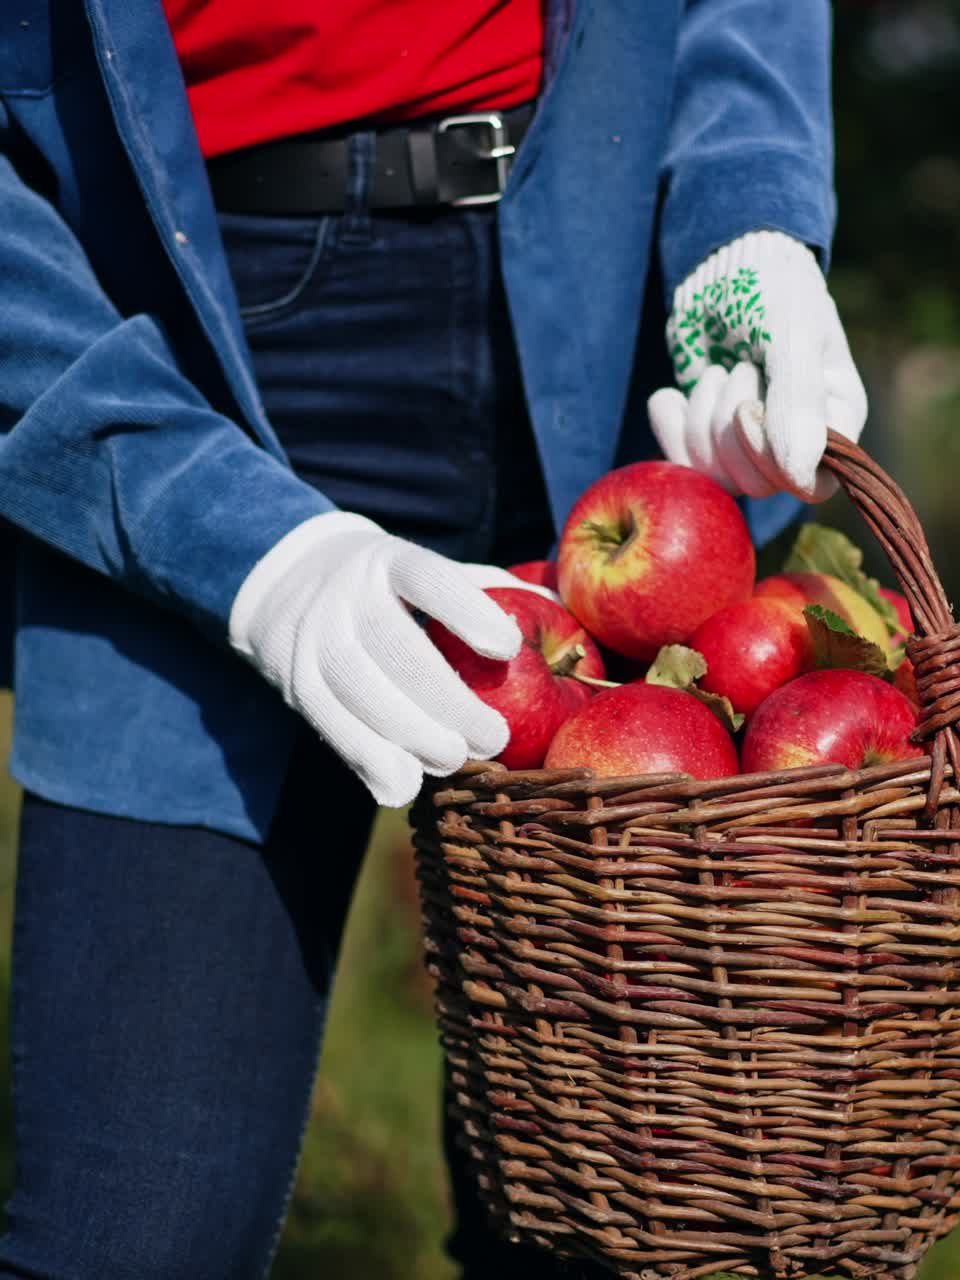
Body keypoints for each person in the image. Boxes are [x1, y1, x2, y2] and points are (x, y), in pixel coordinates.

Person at [0, 2, 866, 1276]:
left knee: (646, 1223)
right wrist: (226, 538)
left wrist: (745, 204)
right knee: (133, 1234)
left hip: (603, 305)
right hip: (174, 333)